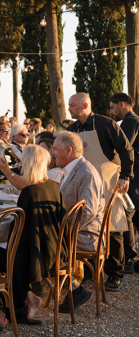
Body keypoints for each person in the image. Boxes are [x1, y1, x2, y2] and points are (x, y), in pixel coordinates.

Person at [0, 145, 65, 328]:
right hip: (53, 249)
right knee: (9, 253)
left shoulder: (30, 193)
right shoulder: (52, 187)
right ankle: (26, 299)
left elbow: (18, 233)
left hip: (34, 256)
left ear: (27, 164)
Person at [68, 92, 133, 291]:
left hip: (108, 181)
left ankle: (115, 274)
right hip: (84, 184)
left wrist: (125, 176)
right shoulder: (73, 129)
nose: (69, 109)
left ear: (84, 105)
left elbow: (126, 149)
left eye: (72, 105)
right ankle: (90, 271)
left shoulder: (106, 124)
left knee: (112, 227)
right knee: (87, 226)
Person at [52, 130, 105, 311]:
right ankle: (71, 288)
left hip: (86, 235)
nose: (53, 153)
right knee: (39, 238)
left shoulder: (86, 173)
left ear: (69, 150)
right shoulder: (71, 170)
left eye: (55, 149)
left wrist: (62, 231)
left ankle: (74, 290)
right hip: (73, 230)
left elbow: (87, 211)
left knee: (43, 242)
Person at [109, 92, 139, 271]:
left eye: (112, 107)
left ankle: (129, 259)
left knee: (127, 212)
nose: (111, 112)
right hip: (134, 175)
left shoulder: (130, 121)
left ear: (122, 104)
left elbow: (123, 147)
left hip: (133, 176)